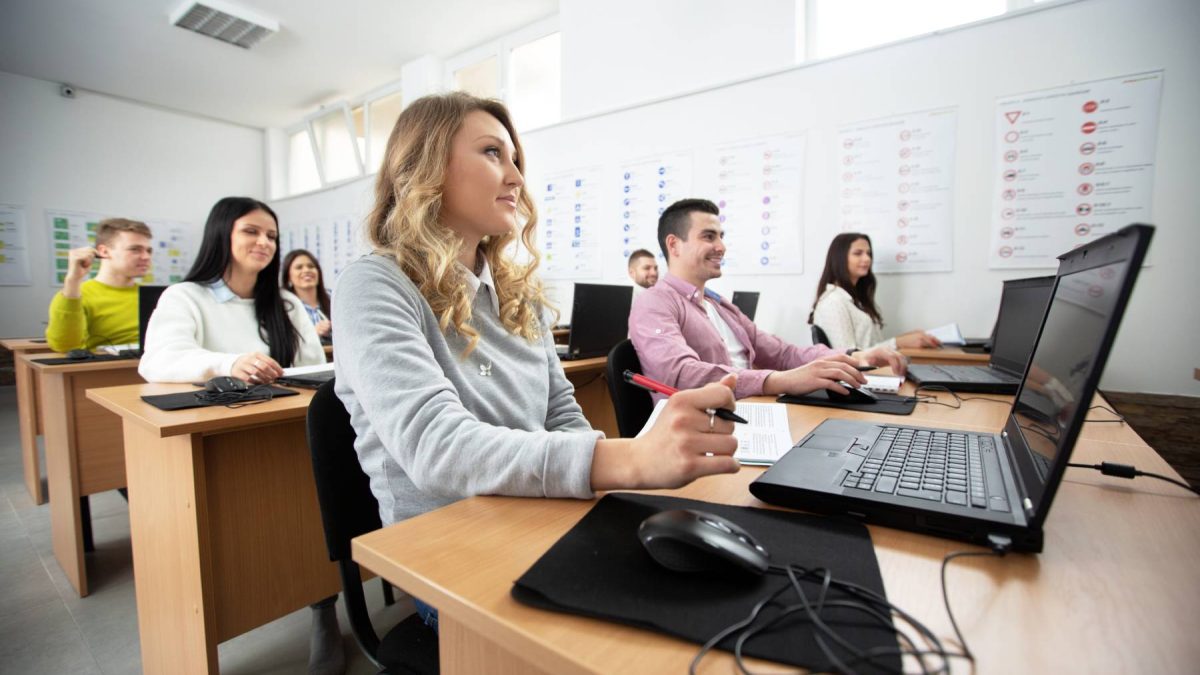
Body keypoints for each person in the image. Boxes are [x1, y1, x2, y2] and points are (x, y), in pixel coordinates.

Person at [333, 92, 739, 633]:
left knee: (707, 610)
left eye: (516, 161)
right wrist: (631, 461)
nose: (516, 178)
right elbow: (436, 449)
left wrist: (609, 489)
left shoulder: (517, 293)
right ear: (426, 166)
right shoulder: (374, 284)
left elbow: (562, 415)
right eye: (491, 153)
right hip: (450, 554)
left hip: (538, 515)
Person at [138, 197, 343, 675]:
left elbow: (316, 367)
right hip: (228, 434)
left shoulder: (286, 303)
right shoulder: (186, 297)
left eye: (271, 235)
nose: (264, 243)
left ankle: (323, 603)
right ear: (222, 236)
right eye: (251, 232)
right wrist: (226, 363)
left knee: (314, 517)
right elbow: (158, 360)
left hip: (297, 427)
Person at [629, 199, 906, 401]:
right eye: (709, 236)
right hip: (701, 429)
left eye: (721, 236)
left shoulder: (718, 305)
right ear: (674, 244)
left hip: (751, 417)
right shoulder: (655, 302)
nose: (721, 247)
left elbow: (783, 354)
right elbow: (681, 374)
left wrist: (855, 357)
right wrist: (780, 380)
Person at [809, 233, 941, 351]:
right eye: (858, 253)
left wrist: (907, 338)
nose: (867, 259)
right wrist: (898, 342)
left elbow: (870, 345)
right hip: (862, 376)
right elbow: (848, 354)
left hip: (874, 371)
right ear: (840, 258)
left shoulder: (853, 299)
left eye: (868, 253)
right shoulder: (833, 302)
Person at [45, 218, 153, 352]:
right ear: (104, 251)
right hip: (107, 370)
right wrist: (73, 281)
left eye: (149, 251)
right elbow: (65, 347)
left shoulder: (156, 297)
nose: (146, 256)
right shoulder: (76, 294)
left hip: (156, 367)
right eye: (135, 249)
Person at [283, 249, 333, 342]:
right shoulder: (284, 306)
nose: (306, 270)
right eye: (299, 267)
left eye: (311, 266)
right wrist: (313, 333)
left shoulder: (333, 299)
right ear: (288, 276)